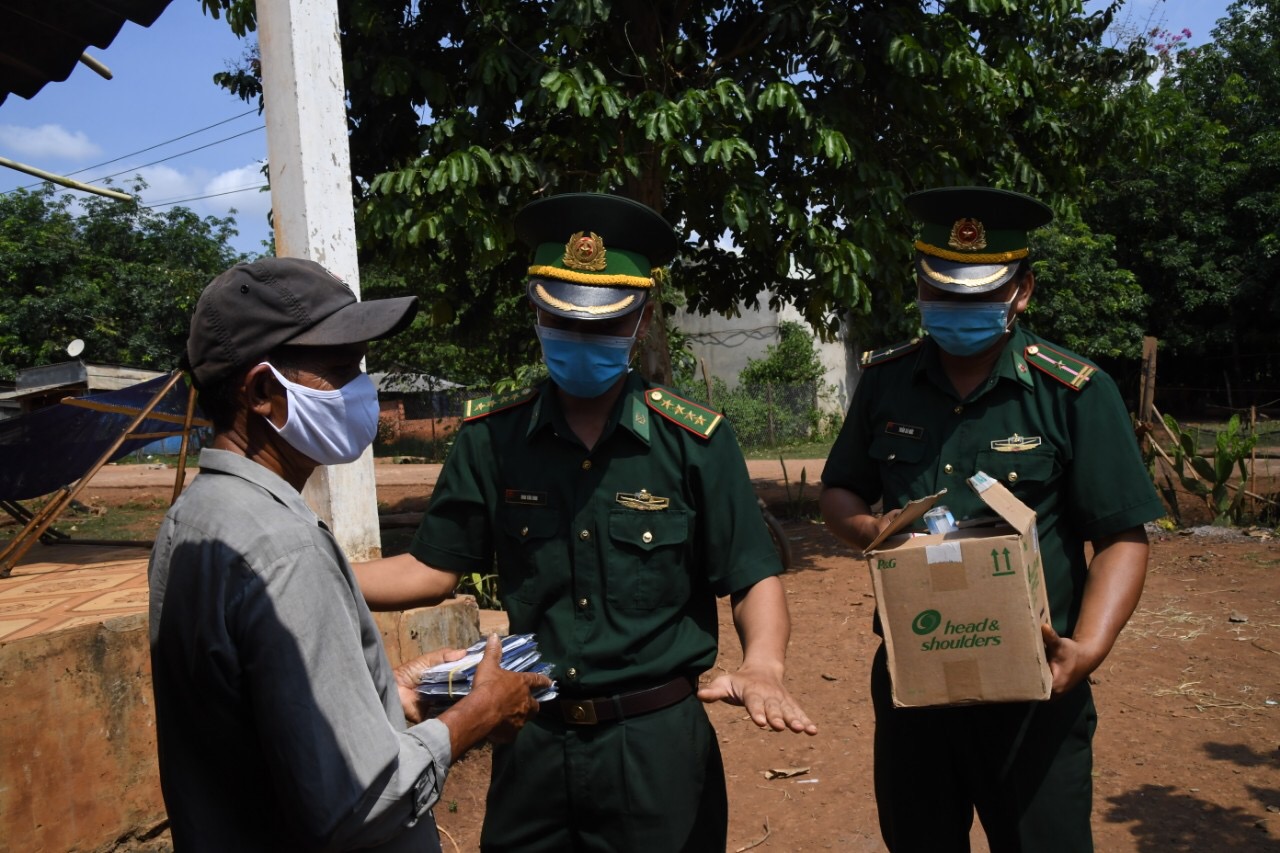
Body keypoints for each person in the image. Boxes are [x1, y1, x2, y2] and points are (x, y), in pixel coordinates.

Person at [355, 192, 817, 852]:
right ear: (537, 311)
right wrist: (319, 574)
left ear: (642, 318)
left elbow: (752, 573)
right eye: (563, 321)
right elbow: (430, 568)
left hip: (655, 745)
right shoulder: (492, 441)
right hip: (530, 735)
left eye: (604, 326)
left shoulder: (693, 442)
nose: (582, 341)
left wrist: (764, 664)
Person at [147, 257, 550, 852]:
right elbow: (359, 803)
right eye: (340, 370)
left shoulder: (198, 519)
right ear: (262, 391)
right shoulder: (283, 548)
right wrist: (479, 715)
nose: (363, 388)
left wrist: (388, 691)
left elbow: (267, 723)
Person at [819, 186, 1165, 852]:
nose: (958, 310)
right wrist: (867, 530)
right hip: (914, 681)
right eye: (942, 293)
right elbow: (840, 491)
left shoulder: (1074, 393)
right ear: (920, 288)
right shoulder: (886, 384)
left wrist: (1088, 648)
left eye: (978, 296)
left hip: (1035, 688)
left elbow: (1122, 535)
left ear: (1021, 290)